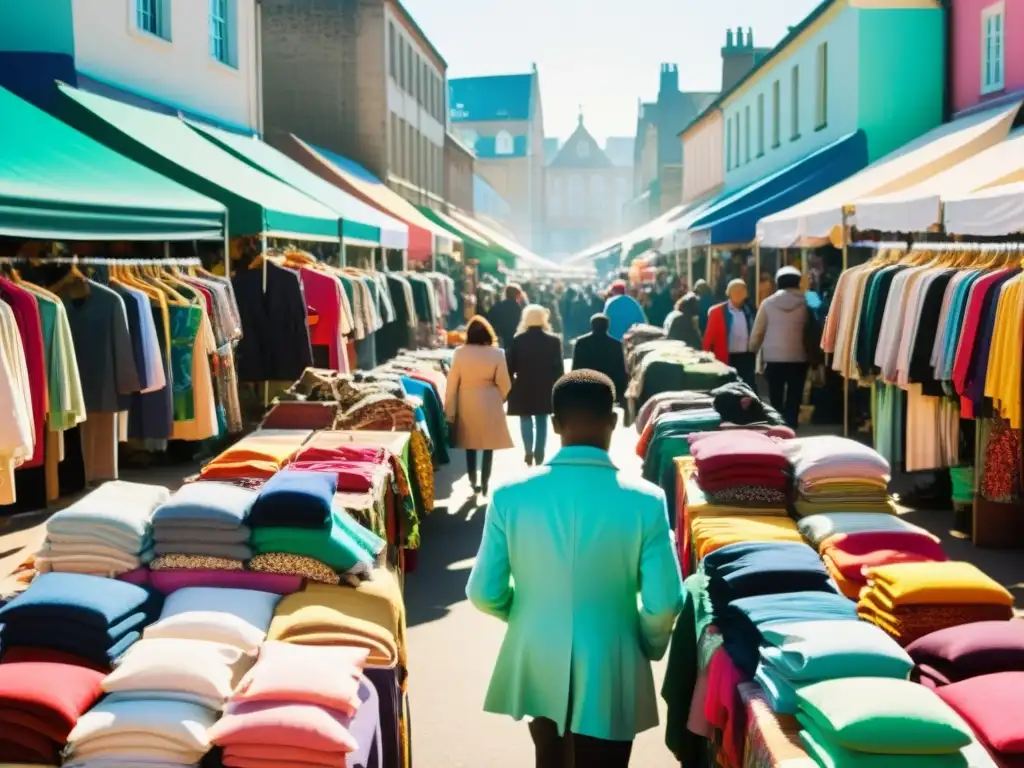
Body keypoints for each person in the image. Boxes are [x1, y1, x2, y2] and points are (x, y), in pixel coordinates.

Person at [466, 370, 683, 768]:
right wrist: (648, 644)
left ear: (553, 424)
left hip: (538, 657)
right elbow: (665, 601)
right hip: (613, 660)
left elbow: (483, 591)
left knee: (549, 756)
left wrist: (525, 613)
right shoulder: (647, 501)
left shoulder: (510, 495)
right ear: (613, 421)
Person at [445, 315, 513, 496]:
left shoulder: (459, 353)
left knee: (470, 443)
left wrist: (449, 410)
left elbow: (452, 383)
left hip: (466, 399)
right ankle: (485, 482)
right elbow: (505, 383)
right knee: (488, 445)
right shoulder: (497, 353)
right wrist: (499, 397)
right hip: (490, 399)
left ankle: (472, 481)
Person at [750, 266, 812, 429]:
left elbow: (758, 331)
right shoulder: (808, 300)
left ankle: (778, 423)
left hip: (773, 357)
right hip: (799, 355)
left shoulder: (768, 303)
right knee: (795, 393)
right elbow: (821, 311)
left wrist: (752, 350)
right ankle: (791, 422)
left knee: (775, 393)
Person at [507, 305, 564, 466]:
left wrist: (508, 386)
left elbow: (511, 365)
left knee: (525, 419)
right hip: (545, 385)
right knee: (542, 420)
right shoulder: (553, 340)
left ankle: (528, 452)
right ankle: (540, 454)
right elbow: (558, 367)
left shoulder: (518, 339)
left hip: (523, 384)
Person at [703, 278, 756, 391]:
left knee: (746, 389)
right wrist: (705, 356)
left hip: (746, 357)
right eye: (736, 291)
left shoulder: (749, 310)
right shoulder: (717, 311)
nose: (739, 293)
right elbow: (709, 337)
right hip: (726, 358)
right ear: (729, 293)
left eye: (742, 290)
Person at [571, 314, 628, 409]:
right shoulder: (616, 345)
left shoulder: (581, 342)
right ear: (607, 326)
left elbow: (576, 367)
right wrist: (621, 392)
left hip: (587, 386)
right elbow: (621, 370)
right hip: (608, 387)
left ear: (591, 325)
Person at [489, 283, 524, 350]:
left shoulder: (497, 306)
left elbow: (490, 321)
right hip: (512, 341)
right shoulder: (517, 308)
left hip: (498, 340)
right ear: (517, 295)